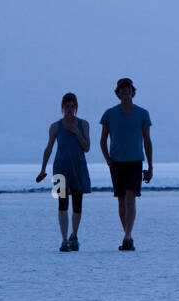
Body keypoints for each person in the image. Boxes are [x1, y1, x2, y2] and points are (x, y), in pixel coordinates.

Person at [100, 77, 153, 251]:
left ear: (132, 91)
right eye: (122, 89)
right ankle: (127, 236)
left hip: (135, 161)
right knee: (121, 202)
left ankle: (127, 236)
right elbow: (102, 141)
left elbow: (147, 140)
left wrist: (150, 167)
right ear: (118, 92)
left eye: (128, 89)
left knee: (131, 199)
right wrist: (108, 160)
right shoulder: (109, 114)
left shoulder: (142, 114)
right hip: (116, 163)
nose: (125, 91)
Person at [37, 92, 92, 251]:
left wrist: (76, 131)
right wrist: (42, 169)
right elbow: (48, 148)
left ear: (76, 107)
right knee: (62, 203)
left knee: (77, 203)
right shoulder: (55, 126)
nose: (69, 109)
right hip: (60, 168)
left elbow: (87, 147)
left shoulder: (83, 124)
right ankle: (64, 239)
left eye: (72, 106)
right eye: (67, 106)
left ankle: (74, 236)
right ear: (62, 107)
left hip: (78, 167)